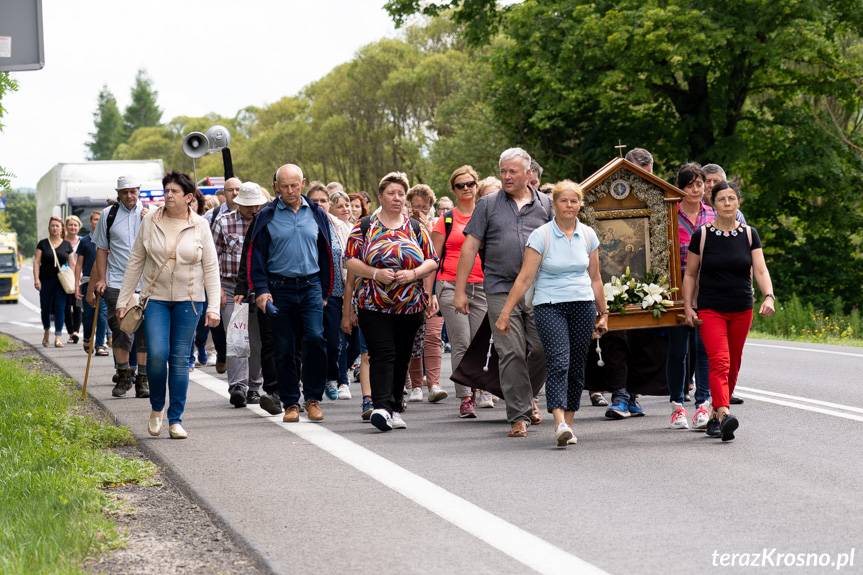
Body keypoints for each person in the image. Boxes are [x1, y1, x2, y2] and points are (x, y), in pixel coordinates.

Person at [495, 180, 607, 446]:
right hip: (550, 305)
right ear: (554, 204)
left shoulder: (588, 235)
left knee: (578, 364)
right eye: (564, 201)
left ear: (580, 204)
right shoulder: (541, 235)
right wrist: (505, 313)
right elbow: (524, 278)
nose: (569, 206)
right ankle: (558, 422)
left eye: (574, 201)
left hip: (582, 304)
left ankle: (569, 421)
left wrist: (604, 312)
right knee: (559, 361)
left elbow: (596, 278)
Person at [116, 171, 221, 440]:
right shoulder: (150, 221)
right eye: (167, 190)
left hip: (190, 300)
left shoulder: (200, 225)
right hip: (156, 299)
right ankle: (155, 409)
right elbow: (135, 261)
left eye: (174, 192)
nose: (168, 195)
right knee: (157, 354)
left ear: (188, 198)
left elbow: (210, 267)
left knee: (178, 359)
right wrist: (123, 299)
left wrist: (213, 308)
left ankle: (176, 419)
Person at [456, 147, 552, 438]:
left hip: (539, 288)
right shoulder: (487, 205)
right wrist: (459, 290)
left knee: (542, 348)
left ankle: (526, 395)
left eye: (513, 171)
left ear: (528, 174)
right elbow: (470, 247)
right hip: (499, 288)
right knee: (509, 352)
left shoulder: (547, 205)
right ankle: (519, 415)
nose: (507, 177)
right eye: (503, 171)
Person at [344, 172, 439, 432]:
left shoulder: (416, 227)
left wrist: (414, 274)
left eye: (400, 194)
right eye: (391, 193)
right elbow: (350, 259)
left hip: (409, 304)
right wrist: (375, 273)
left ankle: (396, 406)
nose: (396, 198)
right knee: (381, 353)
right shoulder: (365, 226)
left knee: (402, 355)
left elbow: (432, 260)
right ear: (380, 196)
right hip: (373, 302)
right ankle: (381, 407)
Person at [683, 181, 775, 441]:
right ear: (713, 204)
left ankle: (715, 416)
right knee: (720, 361)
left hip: (741, 308)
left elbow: (760, 269)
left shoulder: (749, 234)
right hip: (711, 309)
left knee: (733, 364)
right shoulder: (702, 235)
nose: (727, 203)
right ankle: (724, 412)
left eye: (731, 199)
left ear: (738, 203)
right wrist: (688, 306)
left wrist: (769, 295)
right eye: (722, 199)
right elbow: (690, 274)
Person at [251, 164, 334, 423]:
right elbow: (257, 256)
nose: (290, 190)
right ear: (276, 186)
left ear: (303, 183)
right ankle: (290, 403)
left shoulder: (317, 213)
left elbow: (326, 251)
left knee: (315, 339)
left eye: (294, 185)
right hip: (280, 288)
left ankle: (312, 399)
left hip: (311, 286)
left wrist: (325, 289)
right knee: (284, 348)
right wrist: (261, 291)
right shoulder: (266, 215)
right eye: (284, 186)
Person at [432, 165, 492, 418]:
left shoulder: (487, 214)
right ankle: (465, 397)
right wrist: (430, 294)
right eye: (460, 185)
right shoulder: (445, 220)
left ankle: (482, 389)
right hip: (450, 284)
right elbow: (433, 259)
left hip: (483, 285)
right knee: (462, 343)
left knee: (481, 343)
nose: (466, 188)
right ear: (453, 189)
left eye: (470, 184)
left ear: (477, 186)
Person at [89, 176, 149, 398]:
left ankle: (143, 378)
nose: (130, 196)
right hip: (117, 281)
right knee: (122, 330)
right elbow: (102, 249)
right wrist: (101, 279)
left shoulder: (151, 213)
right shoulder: (108, 215)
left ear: (139, 191)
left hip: (146, 283)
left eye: (133, 191)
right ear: (118, 193)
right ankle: (124, 375)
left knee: (145, 332)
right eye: (125, 192)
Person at [666, 163, 714, 430]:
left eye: (699, 184)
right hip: (677, 291)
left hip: (707, 291)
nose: (696, 189)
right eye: (689, 184)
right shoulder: (670, 214)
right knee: (678, 351)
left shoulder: (713, 214)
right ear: (680, 188)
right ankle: (677, 406)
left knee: (703, 348)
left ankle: (702, 404)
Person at [213, 182, 268, 407]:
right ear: (238, 204)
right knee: (235, 336)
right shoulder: (223, 222)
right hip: (229, 285)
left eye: (256, 206)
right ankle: (238, 385)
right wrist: (216, 290)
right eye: (248, 206)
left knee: (256, 340)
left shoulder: (265, 222)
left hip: (257, 287)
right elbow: (211, 258)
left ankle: (254, 386)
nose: (253, 210)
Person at [307, 182, 353, 401]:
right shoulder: (305, 224)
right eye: (314, 201)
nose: (319, 205)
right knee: (314, 339)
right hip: (311, 292)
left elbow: (349, 260)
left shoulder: (339, 226)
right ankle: (313, 382)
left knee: (335, 342)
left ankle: (331, 376)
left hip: (336, 292)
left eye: (323, 201)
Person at [406, 183, 448, 404]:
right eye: (415, 206)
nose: (418, 211)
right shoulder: (403, 227)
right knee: (414, 338)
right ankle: (414, 385)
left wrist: (433, 292)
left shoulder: (436, 227)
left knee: (432, 337)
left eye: (423, 207)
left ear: (431, 207)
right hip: (410, 290)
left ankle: (433, 383)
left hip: (434, 288)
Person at [34, 216, 73, 347]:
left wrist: (75, 280)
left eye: (57, 226)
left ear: (62, 228)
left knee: (60, 308)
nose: (55, 228)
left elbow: (72, 264)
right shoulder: (43, 244)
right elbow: (37, 262)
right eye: (52, 226)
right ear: (49, 228)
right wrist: (36, 279)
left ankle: (57, 337)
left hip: (62, 283)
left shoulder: (67, 245)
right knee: (45, 308)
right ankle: (46, 332)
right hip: (45, 281)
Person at [75, 210, 109, 356]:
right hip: (87, 281)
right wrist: (76, 285)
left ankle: (100, 344)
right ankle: (88, 338)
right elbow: (78, 265)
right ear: (91, 222)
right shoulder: (84, 241)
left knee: (102, 314)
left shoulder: (109, 239)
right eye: (95, 219)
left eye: (99, 219)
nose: (97, 222)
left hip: (103, 282)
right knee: (88, 315)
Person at [63, 215, 83, 344]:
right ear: (66, 227)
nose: (73, 227)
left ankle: (76, 331)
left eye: (75, 225)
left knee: (77, 306)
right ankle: (70, 332)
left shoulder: (83, 241)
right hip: (64, 278)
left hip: (79, 277)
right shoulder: (61, 241)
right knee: (65, 307)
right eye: (70, 225)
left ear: (79, 227)